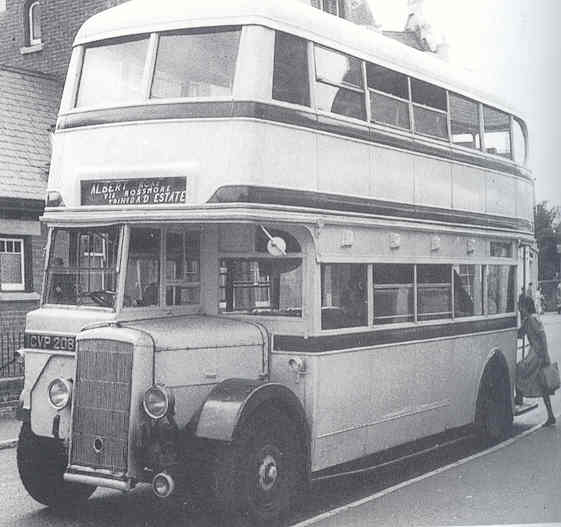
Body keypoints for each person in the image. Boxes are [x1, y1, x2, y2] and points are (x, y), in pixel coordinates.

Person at [517, 298, 556, 426]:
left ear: (525, 307)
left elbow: (542, 336)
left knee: (519, 370)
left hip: (537, 354)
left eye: (520, 306)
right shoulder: (529, 319)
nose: (519, 309)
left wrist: (545, 355)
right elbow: (520, 334)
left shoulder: (532, 319)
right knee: (543, 385)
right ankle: (550, 415)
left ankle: (519, 396)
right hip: (537, 353)